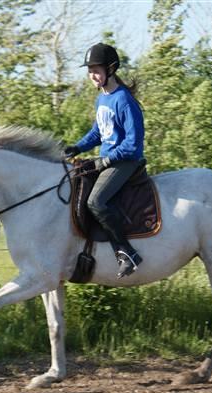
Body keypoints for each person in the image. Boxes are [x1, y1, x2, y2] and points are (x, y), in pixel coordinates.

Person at [64, 42, 145, 278]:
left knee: (96, 201)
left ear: (111, 69)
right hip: (109, 159)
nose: (92, 75)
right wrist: (77, 147)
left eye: (96, 70)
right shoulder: (103, 98)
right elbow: (99, 133)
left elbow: (133, 143)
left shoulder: (124, 100)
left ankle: (127, 252)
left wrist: (106, 161)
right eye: (89, 71)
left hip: (126, 161)